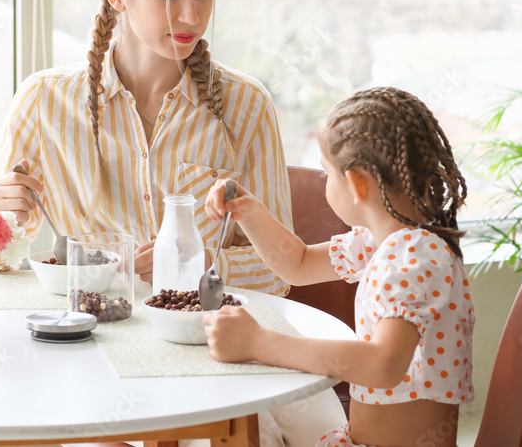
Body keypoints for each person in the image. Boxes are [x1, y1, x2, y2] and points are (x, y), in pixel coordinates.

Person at [0, 0, 294, 297]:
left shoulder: (247, 105)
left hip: (204, 341)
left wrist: (198, 264)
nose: (192, 16)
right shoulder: (43, 100)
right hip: (86, 336)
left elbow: (281, 272)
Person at [203, 87, 474, 447]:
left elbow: (383, 364)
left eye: (328, 174)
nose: (325, 182)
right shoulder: (385, 242)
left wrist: (261, 343)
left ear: (356, 184)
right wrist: (250, 212)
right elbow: (297, 263)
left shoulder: (414, 257)